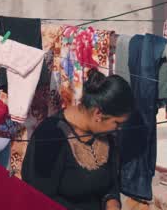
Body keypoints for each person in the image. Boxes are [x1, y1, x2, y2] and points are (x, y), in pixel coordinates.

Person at [22, 69, 132, 210]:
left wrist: (112, 204)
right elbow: (38, 199)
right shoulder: (51, 136)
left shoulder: (106, 136)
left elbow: (110, 186)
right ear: (98, 113)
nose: (119, 129)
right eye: (117, 123)